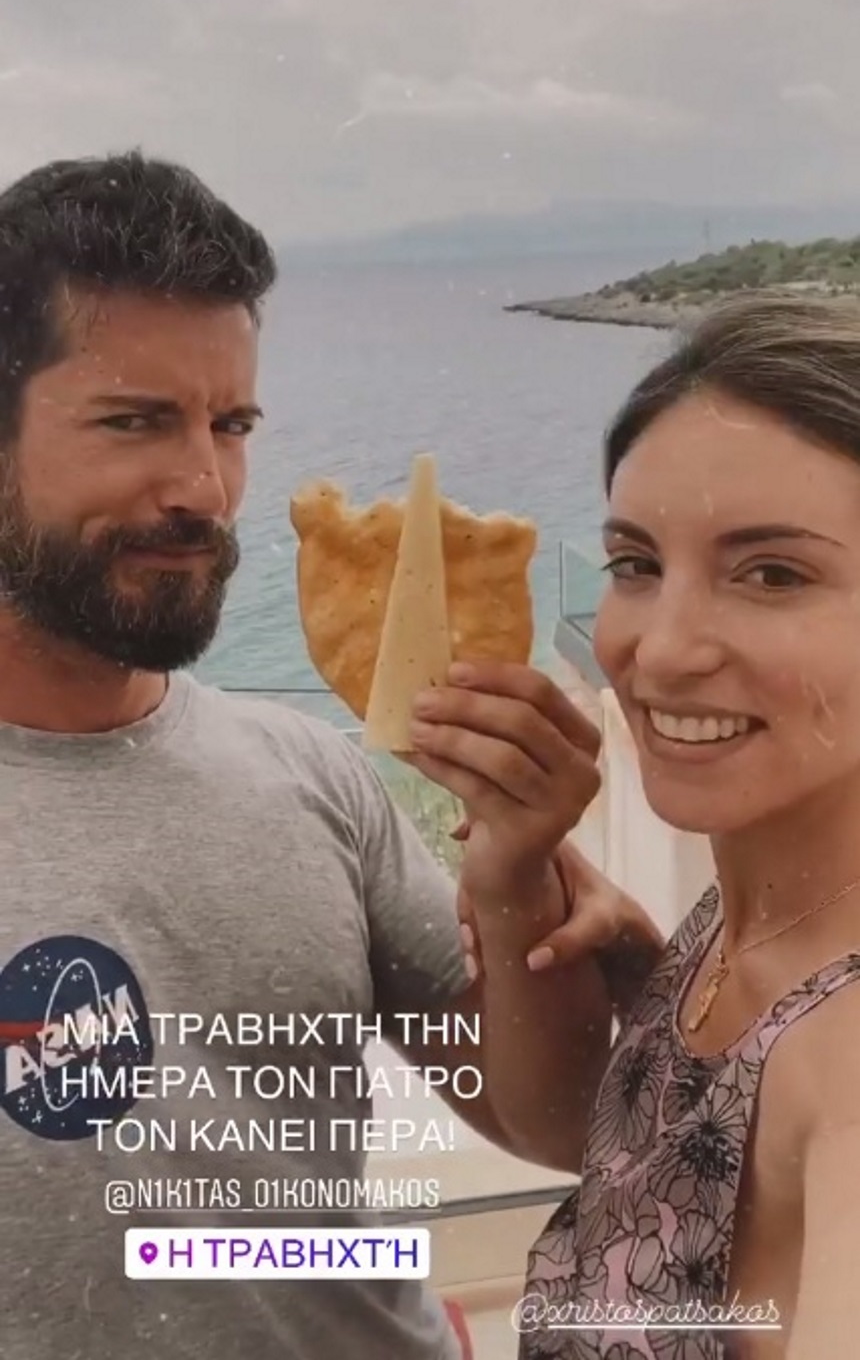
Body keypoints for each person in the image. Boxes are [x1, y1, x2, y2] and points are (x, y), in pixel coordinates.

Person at [0, 151, 662, 1360]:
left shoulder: (311, 775)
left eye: (230, 425)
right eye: (133, 421)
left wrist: (515, 872)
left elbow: (548, 1121)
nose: (205, 487)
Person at [421, 296, 860, 1358]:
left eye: (772, 573)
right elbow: (586, 1141)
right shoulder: (745, 925)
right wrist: (521, 882)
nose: (657, 651)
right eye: (636, 564)